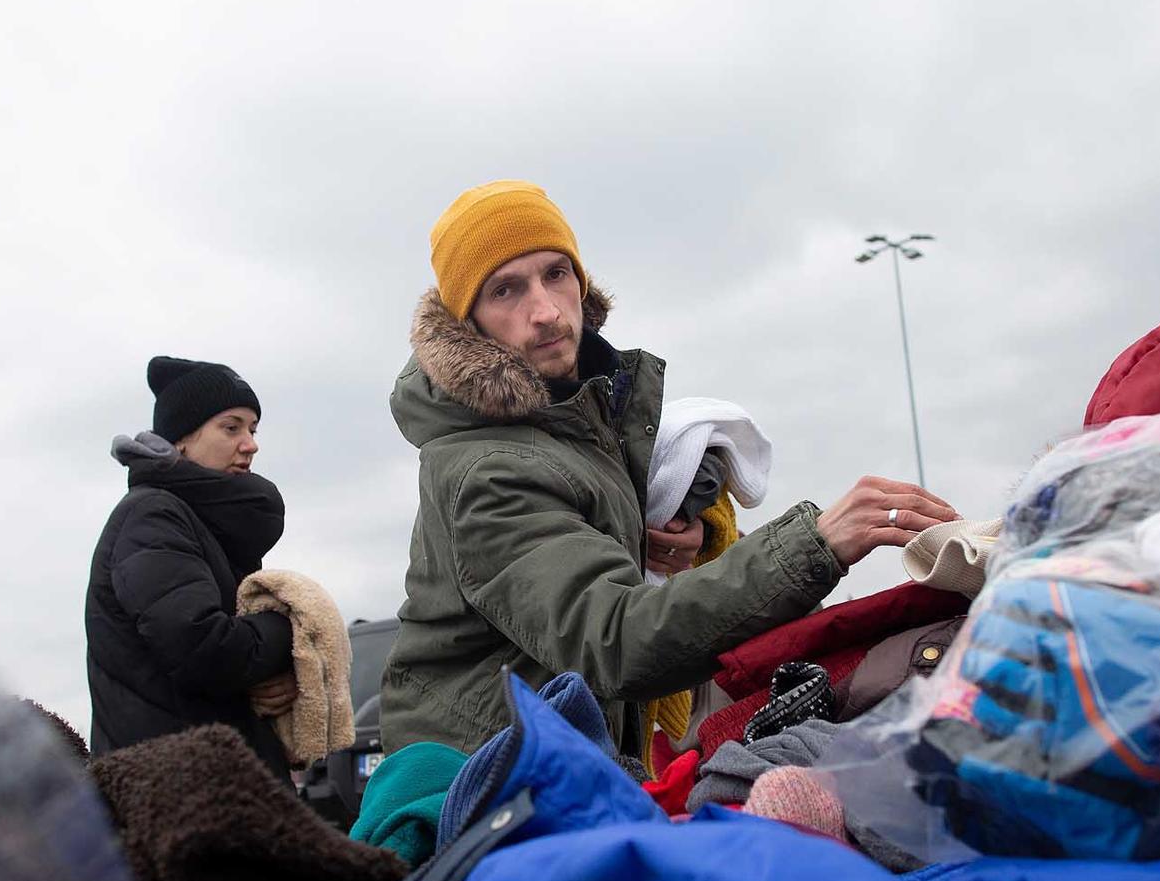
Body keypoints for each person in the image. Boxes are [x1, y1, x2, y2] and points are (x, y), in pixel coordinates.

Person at [381, 179, 956, 757]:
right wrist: (817, 543)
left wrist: (669, 538)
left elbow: (581, 556)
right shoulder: (490, 467)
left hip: (556, 761)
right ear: (468, 323)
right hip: (487, 786)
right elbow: (615, 638)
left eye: (556, 273)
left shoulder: (576, 420)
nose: (547, 311)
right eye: (505, 290)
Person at [86, 355, 296, 774]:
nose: (250, 443)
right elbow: (201, 647)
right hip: (172, 791)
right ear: (181, 439)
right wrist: (289, 626)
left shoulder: (204, 522)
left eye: (253, 430)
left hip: (207, 781)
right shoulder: (153, 516)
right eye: (231, 427)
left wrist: (282, 678)